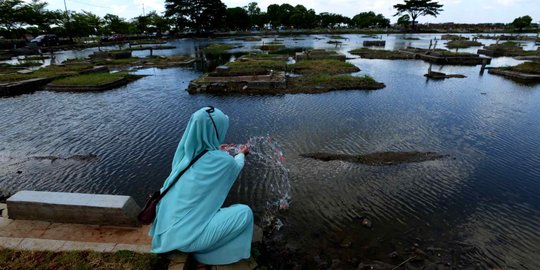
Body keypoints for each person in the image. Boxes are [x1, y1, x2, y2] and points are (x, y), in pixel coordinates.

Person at [149, 106, 253, 265]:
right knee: (245, 213)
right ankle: (208, 253)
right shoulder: (221, 161)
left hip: (165, 231)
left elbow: (203, 161)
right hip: (187, 240)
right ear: (216, 131)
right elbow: (235, 167)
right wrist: (241, 153)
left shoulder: (185, 154)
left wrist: (216, 148)